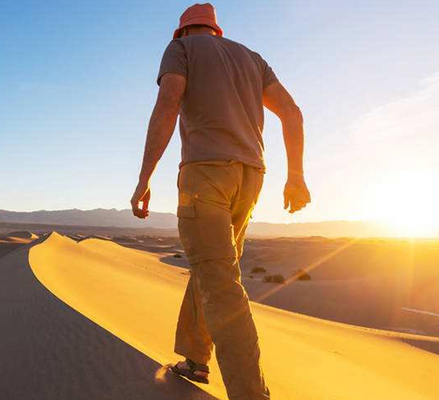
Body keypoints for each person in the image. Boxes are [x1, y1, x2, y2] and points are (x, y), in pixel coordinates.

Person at [129, 3, 310, 400]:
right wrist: (295, 176)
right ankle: (196, 359)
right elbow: (292, 113)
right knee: (214, 268)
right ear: (217, 31)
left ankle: (250, 394)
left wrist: (145, 177)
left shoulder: (181, 50)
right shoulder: (252, 58)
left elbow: (168, 102)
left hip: (205, 174)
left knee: (221, 284)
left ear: (182, 32)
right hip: (251, 177)